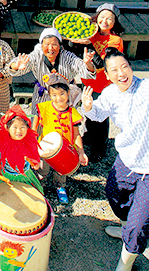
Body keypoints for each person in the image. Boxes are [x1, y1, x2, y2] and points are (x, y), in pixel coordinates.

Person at [82, 48, 149, 271]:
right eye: (114, 70)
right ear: (107, 75)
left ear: (130, 67)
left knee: (139, 226)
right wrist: (89, 106)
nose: (121, 73)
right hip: (128, 162)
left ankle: (125, 263)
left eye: (124, 67)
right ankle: (125, 228)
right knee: (113, 193)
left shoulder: (148, 88)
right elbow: (98, 113)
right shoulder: (110, 92)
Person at [74, 3, 124, 163]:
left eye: (110, 18)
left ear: (115, 22)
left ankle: (99, 147)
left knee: (101, 116)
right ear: (96, 18)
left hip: (103, 85)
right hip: (87, 81)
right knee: (88, 109)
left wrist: (88, 44)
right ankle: (88, 134)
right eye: (102, 17)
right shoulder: (90, 34)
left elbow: (102, 62)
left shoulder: (115, 40)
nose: (105, 21)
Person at [7, 27, 96, 110]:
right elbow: (18, 65)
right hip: (43, 95)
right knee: (39, 122)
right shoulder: (37, 56)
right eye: (46, 44)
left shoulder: (68, 57)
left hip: (64, 98)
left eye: (54, 44)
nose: (50, 48)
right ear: (41, 45)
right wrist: (16, 65)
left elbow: (83, 69)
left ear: (60, 46)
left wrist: (88, 63)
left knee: (64, 124)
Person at [33, 73, 88, 204]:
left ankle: (60, 187)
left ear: (68, 93)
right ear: (49, 95)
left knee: (61, 171)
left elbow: (76, 134)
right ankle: (41, 187)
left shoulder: (72, 112)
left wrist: (81, 152)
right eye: (54, 95)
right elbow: (34, 128)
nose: (58, 98)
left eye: (62, 94)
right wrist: (33, 145)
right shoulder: (44, 108)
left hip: (64, 150)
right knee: (42, 170)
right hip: (45, 148)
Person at [0, 105, 43, 194]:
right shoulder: (1, 141)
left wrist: (36, 163)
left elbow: (34, 155)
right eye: (15, 127)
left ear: (27, 128)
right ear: (7, 128)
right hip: (5, 176)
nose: (19, 131)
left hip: (25, 176)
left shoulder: (30, 140)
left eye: (22, 127)